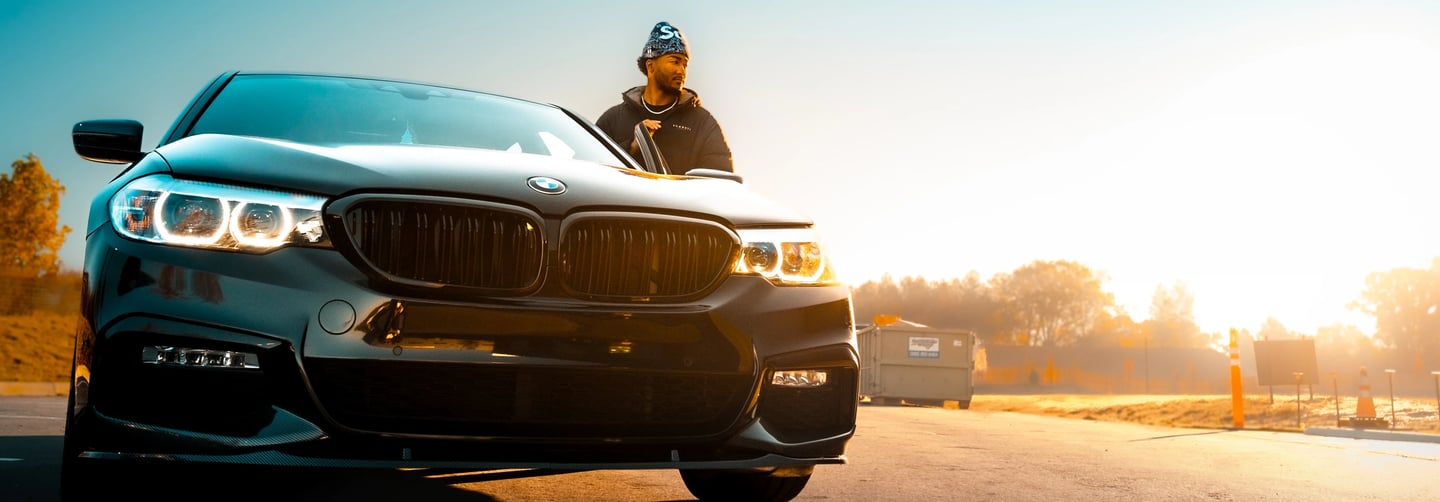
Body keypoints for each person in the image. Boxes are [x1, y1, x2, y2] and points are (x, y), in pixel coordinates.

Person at [597, 21, 734, 174]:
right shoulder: (613, 119)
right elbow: (591, 172)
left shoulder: (702, 123)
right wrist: (632, 147)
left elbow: (721, 179)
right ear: (651, 66)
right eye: (675, 61)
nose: (682, 71)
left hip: (677, 199)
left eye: (685, 64)